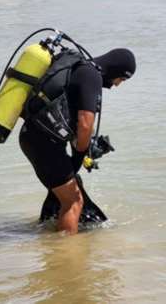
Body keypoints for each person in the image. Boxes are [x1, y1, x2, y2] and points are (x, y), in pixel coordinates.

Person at [19, 48, 136, 234]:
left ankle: (52, 244)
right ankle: (66, 255)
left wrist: (82, 149)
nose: (117, 84)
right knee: (73, 201)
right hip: (44, 145)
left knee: (68, 194)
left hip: (36, 138)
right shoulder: (92, 76)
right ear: (116, 70)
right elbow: (85, 122)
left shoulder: (80, 68)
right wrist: (82, 152)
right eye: (121, 79)